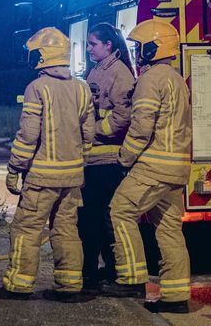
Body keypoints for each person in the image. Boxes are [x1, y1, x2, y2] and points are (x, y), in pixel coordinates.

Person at [0, 27, 96, 303]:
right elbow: (89, 133)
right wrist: (78, 161)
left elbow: (28, 135)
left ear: (43, 56)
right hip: (72, 179)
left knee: (26, 229)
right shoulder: (81, 88)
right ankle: (70, 286)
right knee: (67, 231)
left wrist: (15, 169)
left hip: (42, 178)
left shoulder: (37, 88)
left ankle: (18, 285)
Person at [99, 17, 192, 314]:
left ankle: (130, 277)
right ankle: (176, 297)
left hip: (154, 164)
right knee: (168, 228)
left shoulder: (152, 79)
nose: (138, 52)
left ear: (154, 47)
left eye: (141, 47)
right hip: (177, 166)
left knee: (120, 210)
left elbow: (141, 127)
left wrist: (124, 160)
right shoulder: (176, 78)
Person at [78, 23, 136, 292]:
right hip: (94, 160)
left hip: (108, 160)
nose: (88, 49)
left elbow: (124, 116)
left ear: (108, 45)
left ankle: (113, 272)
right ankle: (99, 270)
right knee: (92, 218)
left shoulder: (120, 74)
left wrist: (96, 131)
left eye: (92, 44)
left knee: (103, 219)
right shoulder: (99, 69)